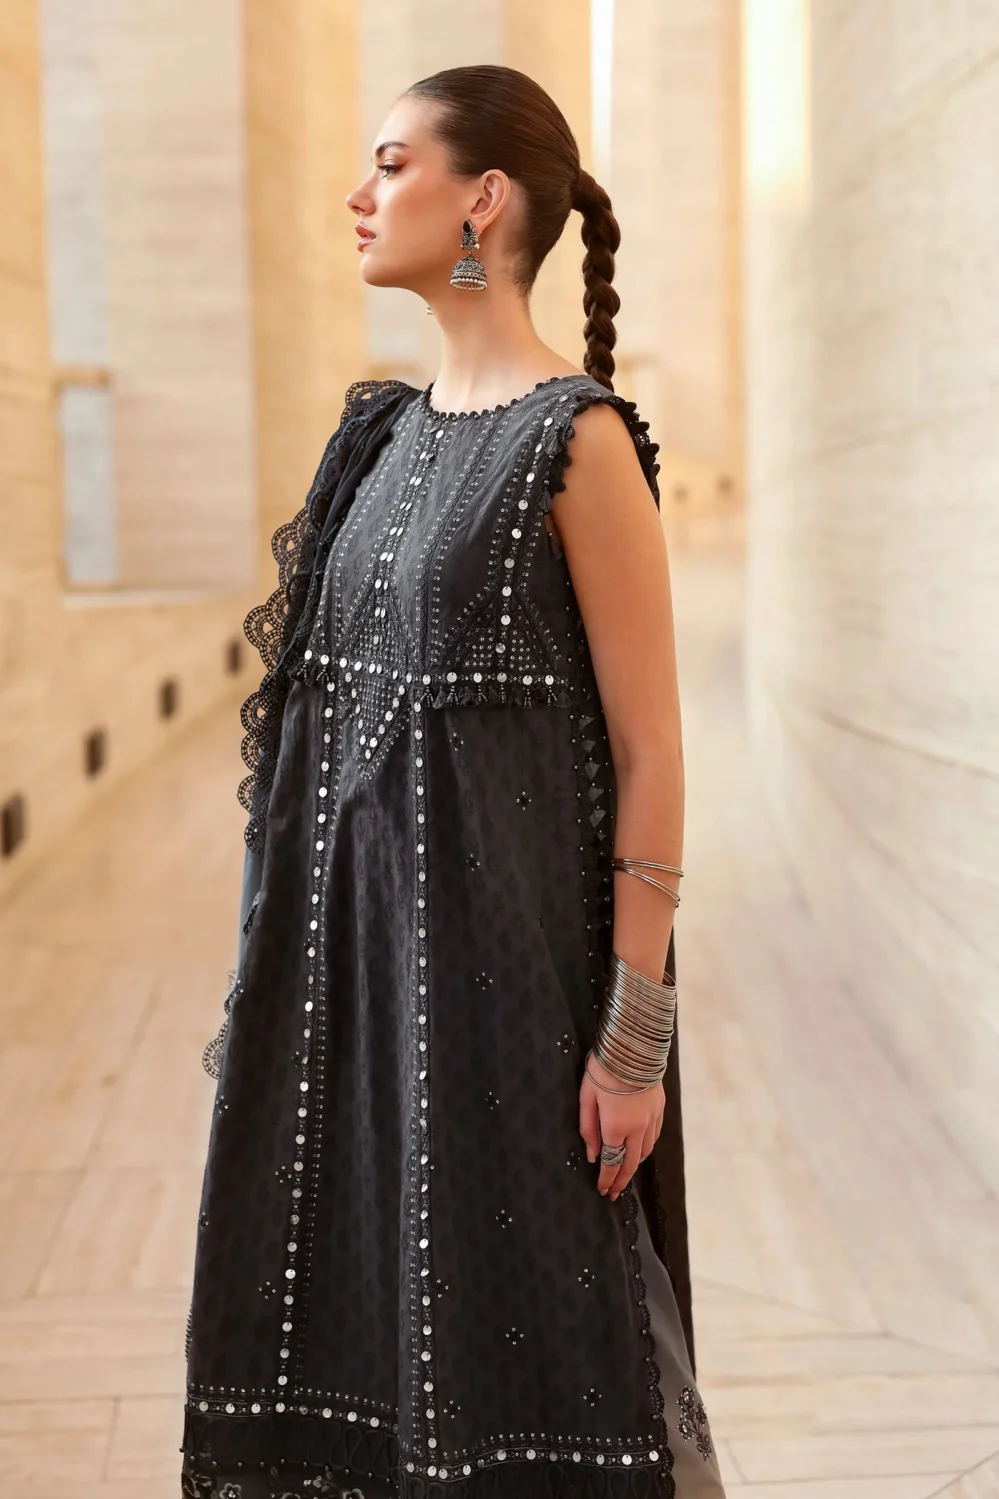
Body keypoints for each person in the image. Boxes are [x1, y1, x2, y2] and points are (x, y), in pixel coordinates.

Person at [182, 63, 725, 1499]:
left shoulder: (577, 441)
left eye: (390, 164)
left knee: (535, 1361)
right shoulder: (374, 436)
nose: (357, 196)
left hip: (510, 1014)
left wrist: (632, 1038)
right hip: (344, 1003)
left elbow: (653, 748)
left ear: (482, 199)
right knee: (342, 1345)